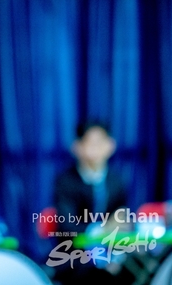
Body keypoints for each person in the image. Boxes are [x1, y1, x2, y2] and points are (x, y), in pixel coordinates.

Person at [52, 120, 130, 284]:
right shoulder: (65, 182)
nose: (95, 148)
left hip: (112, 251)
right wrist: (102, 229)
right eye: (90, 142)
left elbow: (122, 216)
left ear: (111, 145)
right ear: (77, 147)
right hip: (75, 254)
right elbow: (66, 227)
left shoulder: (116, 181)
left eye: (100, 142)